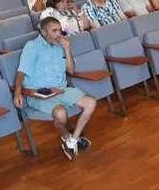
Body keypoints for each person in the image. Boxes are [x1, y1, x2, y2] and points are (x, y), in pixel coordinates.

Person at [13, 16, 97, 160]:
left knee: (91, 103)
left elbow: (71, 71)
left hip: (61, 89)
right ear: (44, 32)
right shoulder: (32, 46)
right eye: (54, 31)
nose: (59, 34)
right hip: (39, 93)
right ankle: (66, 136)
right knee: (61, 114)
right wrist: (18, 92)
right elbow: (22, 71)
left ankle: (73, 140)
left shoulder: (60, 46)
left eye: (60, 30)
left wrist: (67, 49)